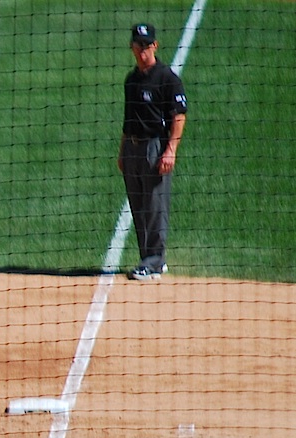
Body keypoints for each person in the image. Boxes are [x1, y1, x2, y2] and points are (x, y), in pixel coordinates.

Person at [118, 23, 186, 281]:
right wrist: (122, 150)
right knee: (138, 206)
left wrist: (171, 150)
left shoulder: (167, 78)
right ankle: (150, 258)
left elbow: (179, 116)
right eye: (138, 45)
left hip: (155, 147)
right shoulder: (131, 80)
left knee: (155, 206)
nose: (142, 49)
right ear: (132, 46)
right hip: (132, 148)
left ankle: (153, 261)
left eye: (147, 45)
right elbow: (128, 119)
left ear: (155, 46)